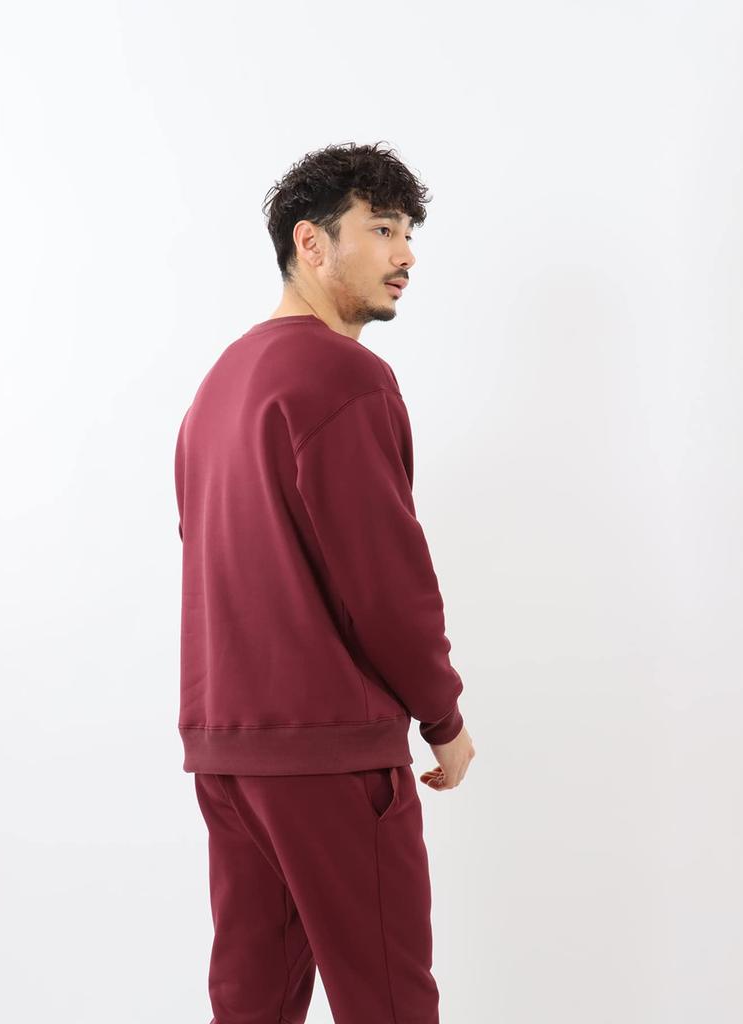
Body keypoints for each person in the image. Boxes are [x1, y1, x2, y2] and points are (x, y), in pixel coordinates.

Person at [174, 141, 475, 1024]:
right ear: (310, 243)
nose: (404, 253)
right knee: (387, 1001)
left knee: (251, 1002)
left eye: (408, 231)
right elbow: (385, 583)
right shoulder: (344, 376)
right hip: (329, 754)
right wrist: (443, 718)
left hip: (228, 752)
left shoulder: (217, 385)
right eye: (380, 229)